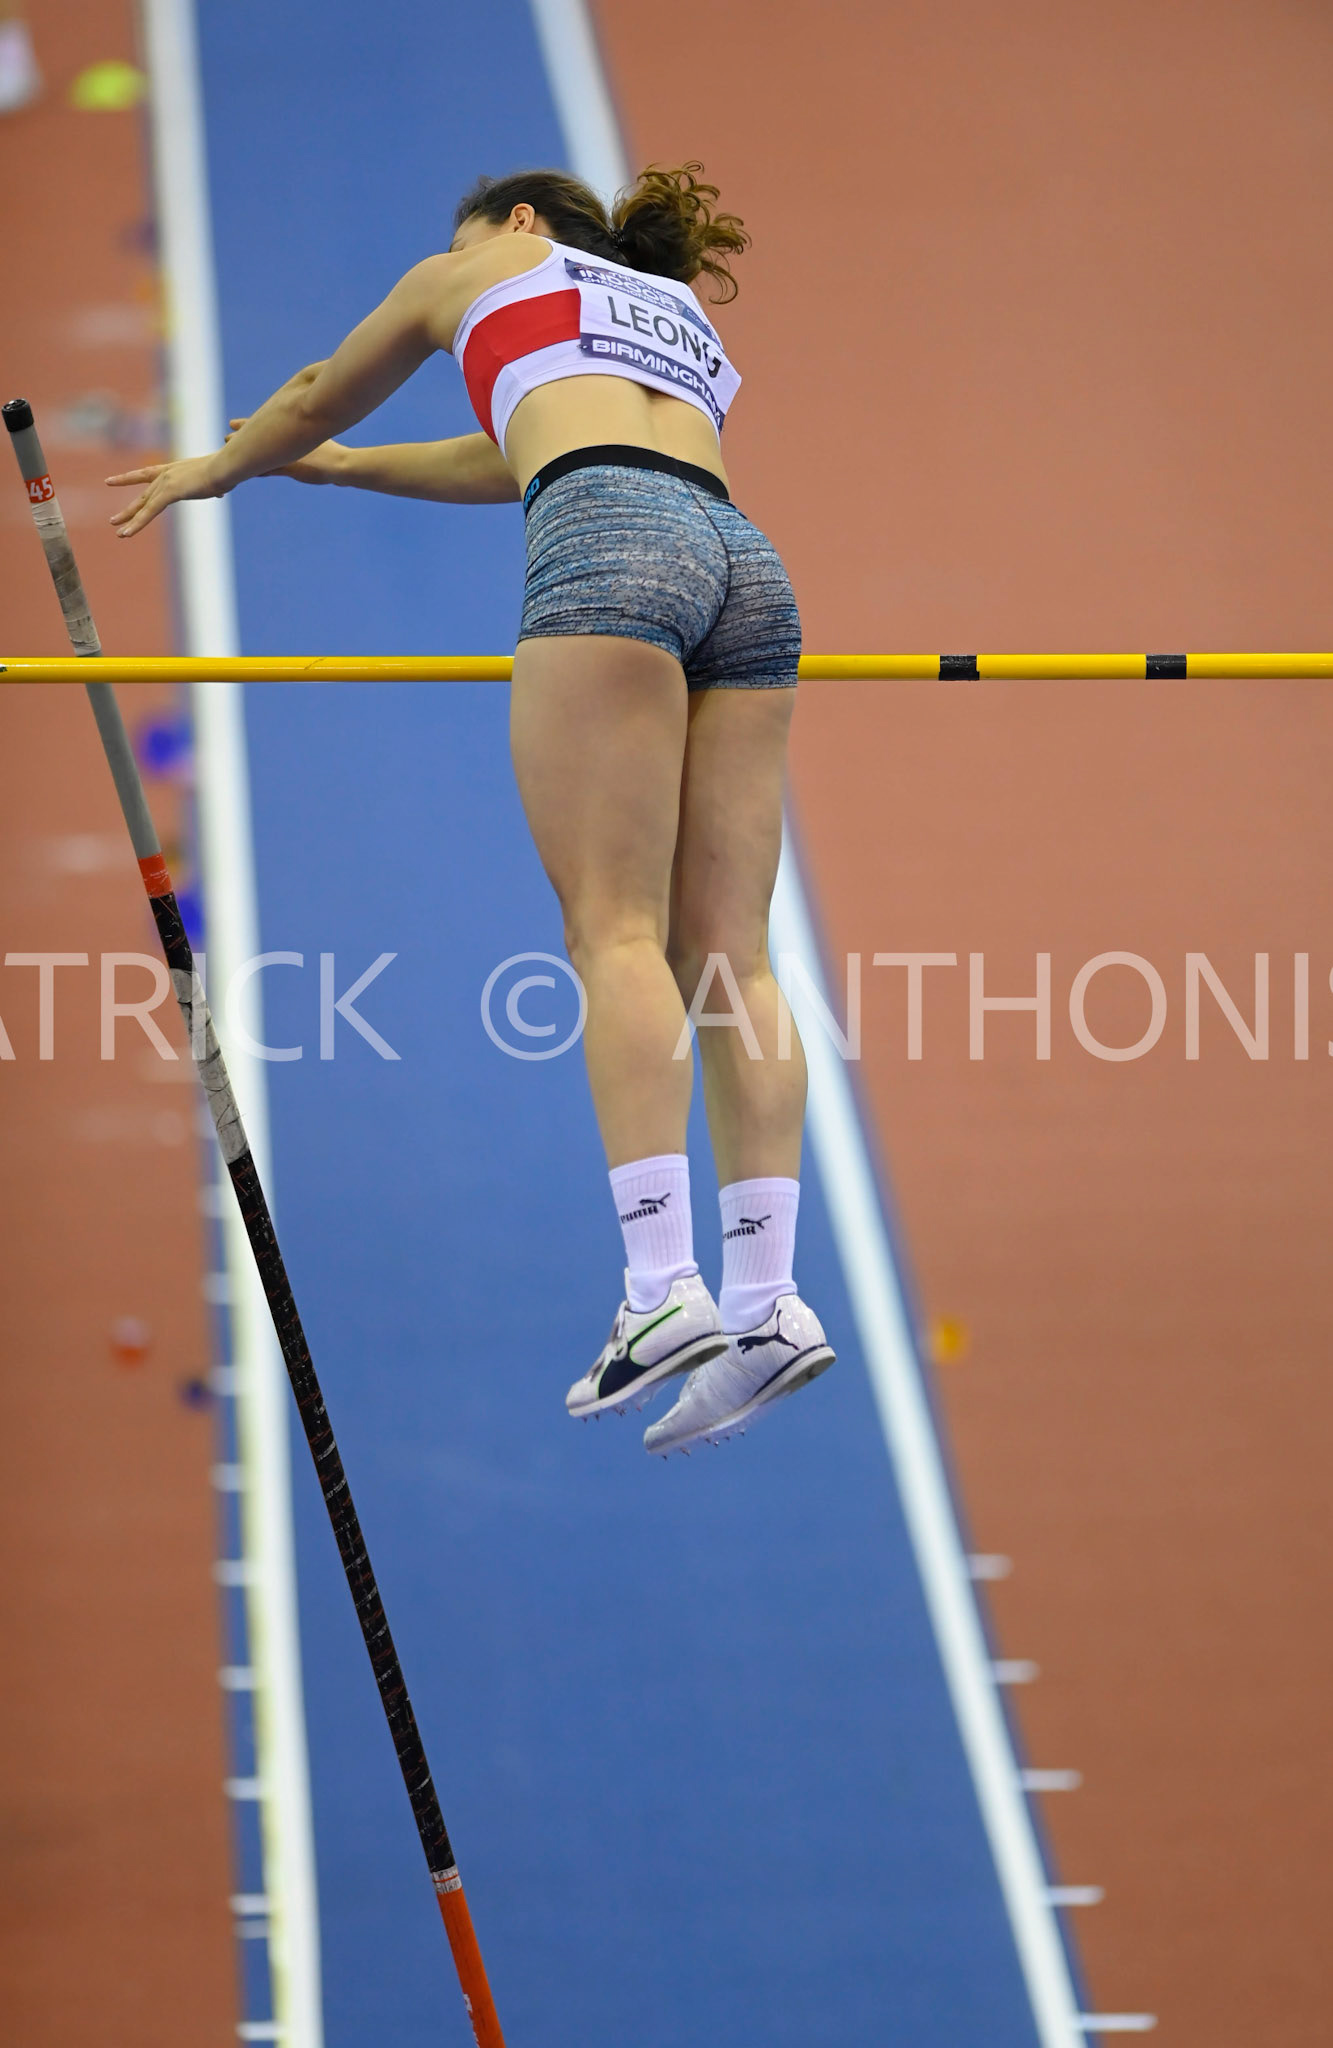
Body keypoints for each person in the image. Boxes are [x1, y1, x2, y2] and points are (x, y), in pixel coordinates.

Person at [106, 161, 834, 1455]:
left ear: (513, 221)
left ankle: (662, 1290)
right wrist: (338, 473)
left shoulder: (477, 267)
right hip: (741, 560)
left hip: (611, 543)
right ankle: (766, 1301)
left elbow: (317, 389)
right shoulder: (665, 308)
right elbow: (516, 449)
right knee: (730, 954)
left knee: (613, 931)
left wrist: (232, 466)